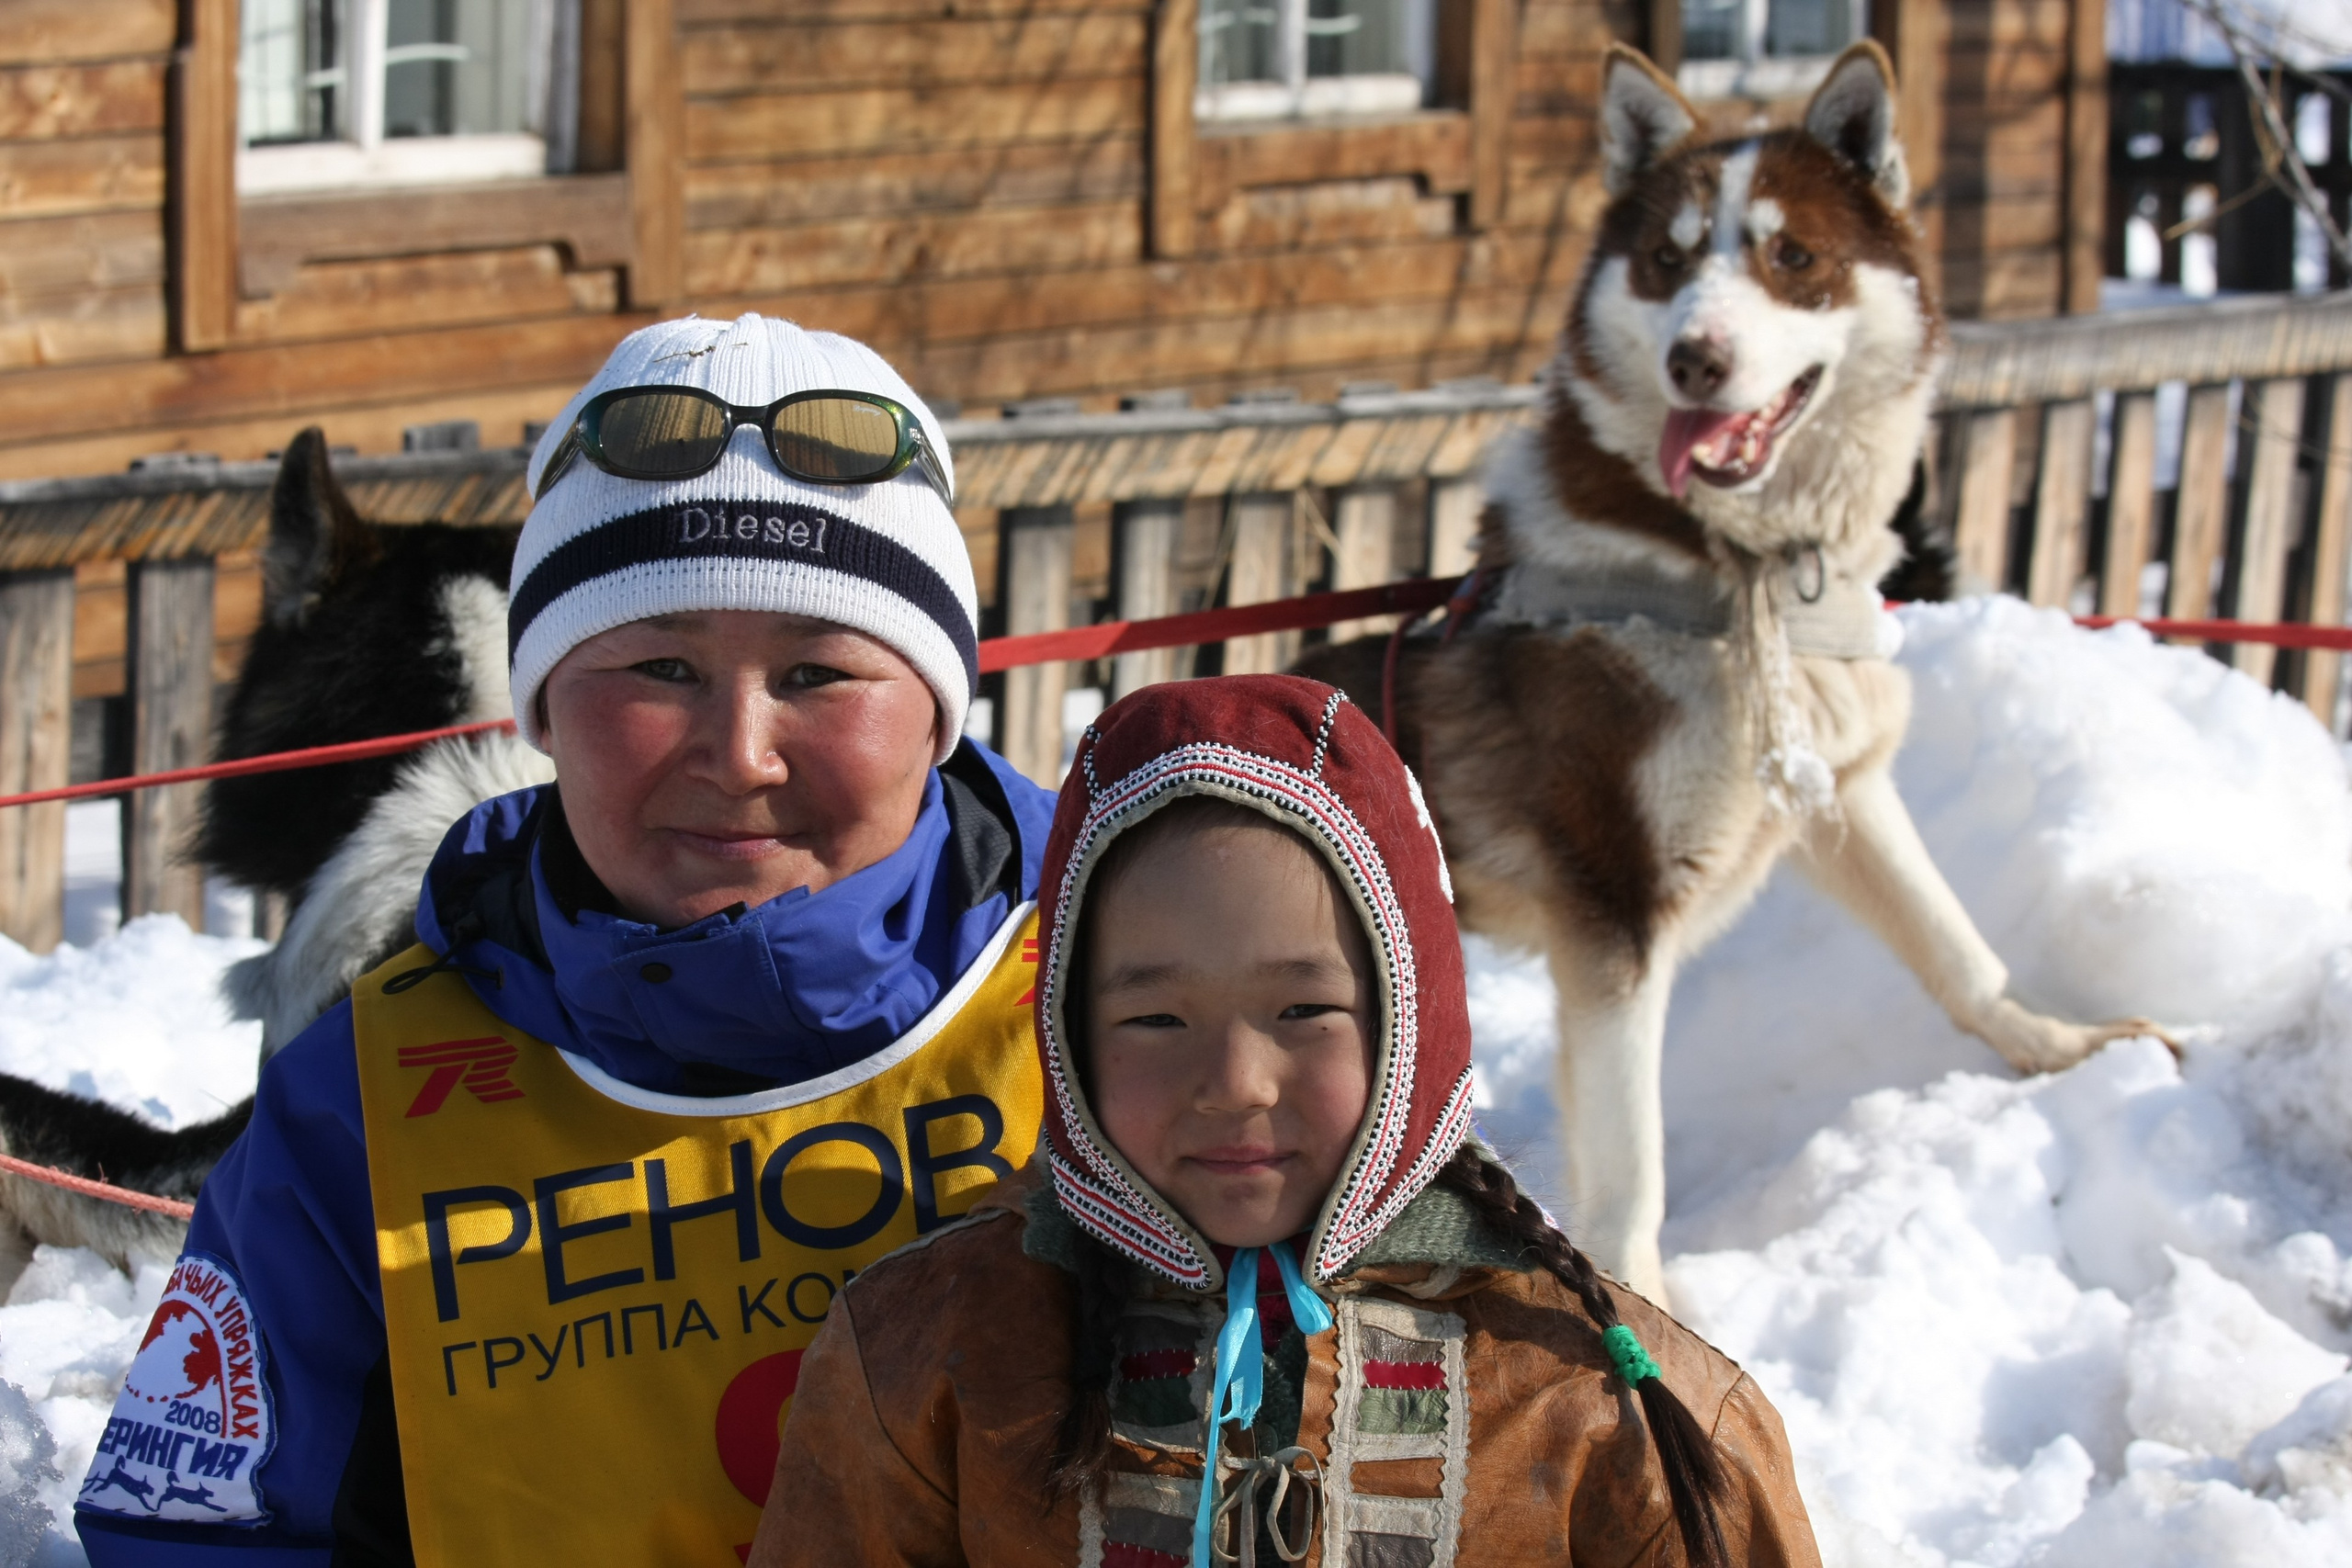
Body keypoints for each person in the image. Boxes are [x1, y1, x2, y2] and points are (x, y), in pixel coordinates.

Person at [74, 314, 1058, 1565]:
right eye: (658, 665)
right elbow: (202, 1538)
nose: (740, 751)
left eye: (818, 672)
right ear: (539, 705)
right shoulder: (359, 1107)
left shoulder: (1129, 1001)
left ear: (936, 708)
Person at [749, 674, 1822, 1568]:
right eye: (1156, 1017)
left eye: (1304, 1010)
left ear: (1414, 1016)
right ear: (1070, 1026)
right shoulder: (928, 1350)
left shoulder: (1610, 1406)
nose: (1235, 1080)